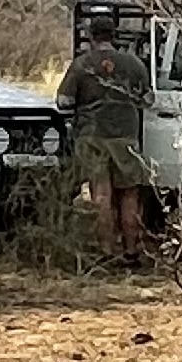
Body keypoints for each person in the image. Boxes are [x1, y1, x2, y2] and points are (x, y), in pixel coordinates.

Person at [58, 23, 152, 259]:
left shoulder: (82, 64)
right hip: (126, 137)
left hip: (93, 137)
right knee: (130, 195)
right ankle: (131, 250)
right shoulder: (134, 64)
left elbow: (63, 101)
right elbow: (148, 99)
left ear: (91, 37)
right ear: (114, 36)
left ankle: (106, 251)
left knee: (102, 195)